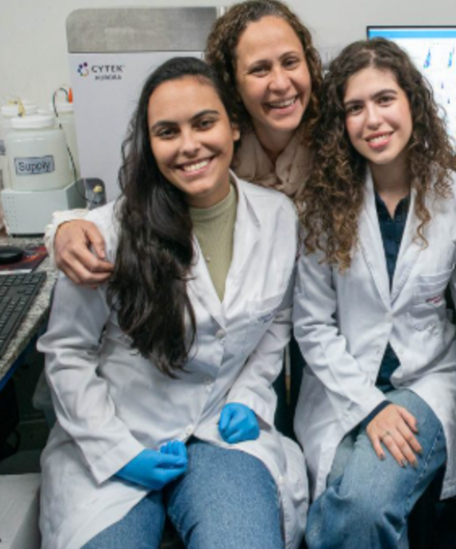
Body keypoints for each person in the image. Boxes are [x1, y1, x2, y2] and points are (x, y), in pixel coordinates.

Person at [38, 57, 308, 549]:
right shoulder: (105, 235)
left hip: (218, 432)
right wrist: (117, 451)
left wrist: (250, 396)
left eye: (204, 123)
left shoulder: (278, 218)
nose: (189, 146)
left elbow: (277, 323)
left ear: (234, 127)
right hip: (116, 438)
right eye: (167, 132)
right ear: (150, 144)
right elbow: (66, 353)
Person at [294, 39, 456, 548]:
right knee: (347, 490)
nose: (372, 119)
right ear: (341, 123)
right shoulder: (322, 205)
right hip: (343, 384)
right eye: (354, 108)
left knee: (361, 505)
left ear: (412, 104)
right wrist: (370, 407)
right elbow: (312, 325)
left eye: (384, 100)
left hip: (429, 382)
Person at [49, 0, 323, 284]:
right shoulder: (212, 149)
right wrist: (65, 227)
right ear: (231, 82)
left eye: (291, 62)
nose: (280, 83)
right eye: (259, 69)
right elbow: (143, 203)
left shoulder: (336, 138)